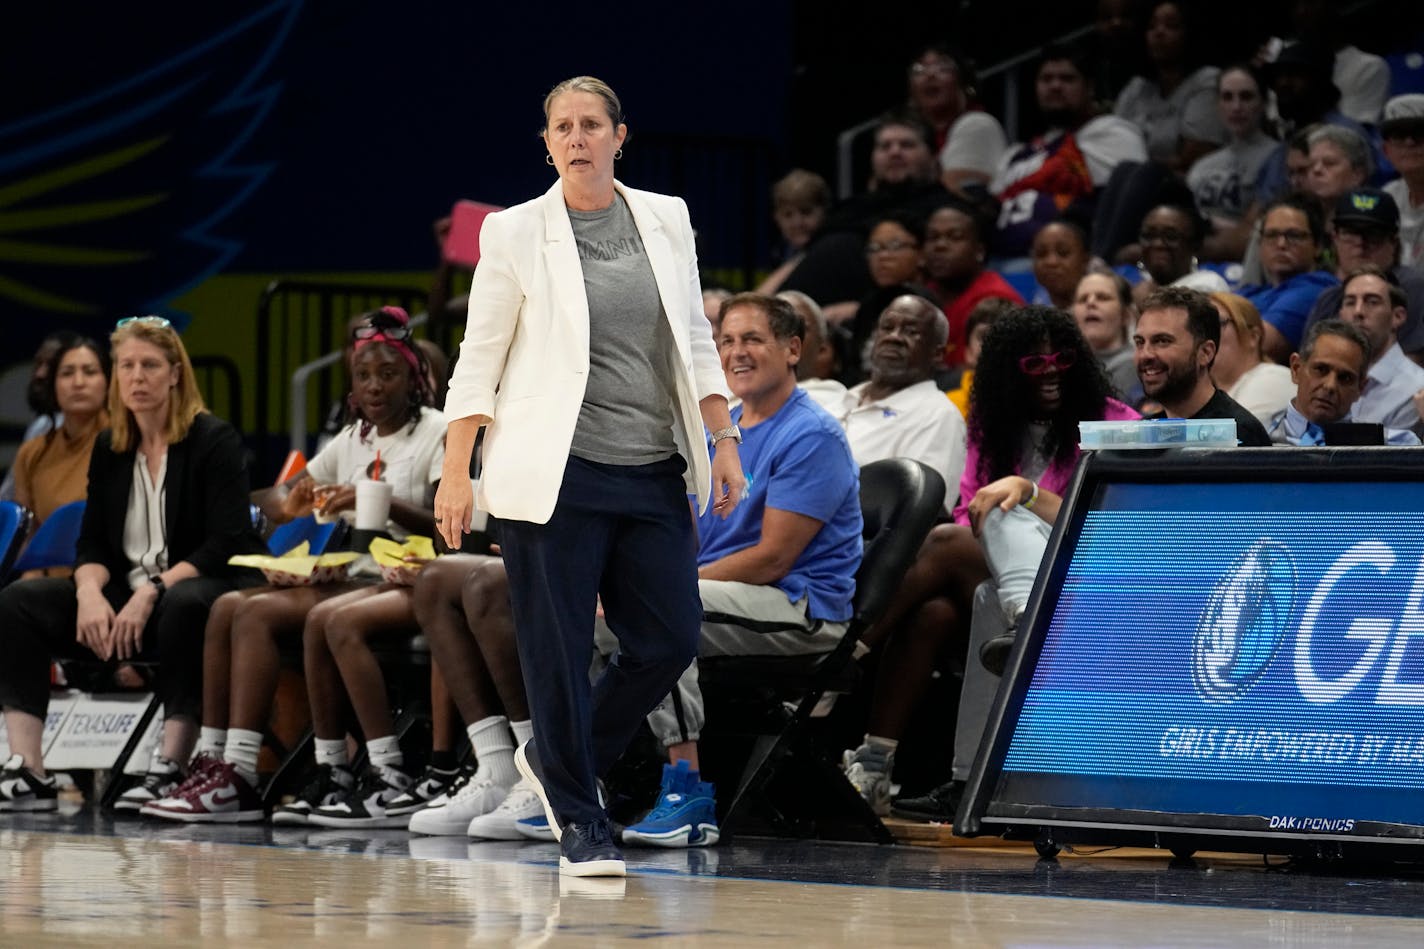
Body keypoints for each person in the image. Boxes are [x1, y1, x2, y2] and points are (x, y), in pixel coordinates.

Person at [432, 76, 743, 879]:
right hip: (555, 473)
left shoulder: (666, 217)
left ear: (619, 136)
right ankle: (581, 822)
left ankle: (560, 757)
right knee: (558, 649)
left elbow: (696, 342)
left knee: (670, 634)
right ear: (546, 143)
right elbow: (480, 358)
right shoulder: (514, 231)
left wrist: (724, 436)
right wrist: (456, 470)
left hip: (651, 465)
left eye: (591, 124)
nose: (577, 137)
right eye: (562, 127)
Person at [140, 307, 446, 826]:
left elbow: (447, 525)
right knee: (233, 607)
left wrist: (383, 501)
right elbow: (280, 496)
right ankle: (228, 765)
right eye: (363, 375)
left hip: (417, 574)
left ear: (413, 378)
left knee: (312, 618)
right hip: (357, 575)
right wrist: (284, 501)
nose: (374, 386)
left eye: (388, 374)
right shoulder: (353, 438)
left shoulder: (436, 431)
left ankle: (385, 770)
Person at [846, 306, 1140, 818]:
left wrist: (1024, 497)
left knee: (966, 531)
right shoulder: (990, 428)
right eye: (1034, 363)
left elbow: (1112, 524)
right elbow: (968, 512)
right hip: (1005, 577)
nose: (1050, 370)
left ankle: (842, 654)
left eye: (1062, 358)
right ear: (1009, 369)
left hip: (1085, 573)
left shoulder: (1115, 423)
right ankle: (890, 766)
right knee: (942, 601)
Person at [617, 292, 862, 848]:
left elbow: (773, 557)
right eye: (726, 341)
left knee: (663, 613)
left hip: (801, 607)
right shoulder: (718, 429)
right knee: (586, 613)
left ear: (793, 348)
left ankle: (688, 792)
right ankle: (578, 780)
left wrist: (669, 584)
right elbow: (685, 535)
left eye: (752, 339)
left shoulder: (813, 435)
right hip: (727, 593)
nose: (736, 352)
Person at [0, 316, 265, 812]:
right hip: (132, 600)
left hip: (208, 587)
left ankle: (170, 766)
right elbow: (93, 544)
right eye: (127, 366)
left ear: (175, 374)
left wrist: (153, 590)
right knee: (19, 603)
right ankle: (29, 769)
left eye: (149, 365)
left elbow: (226, 541)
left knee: (184, 603)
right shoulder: (112, 447)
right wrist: (88, 593)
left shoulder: (213, 439)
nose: (137, 377)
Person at [990, 43, 1147, 258]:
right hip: (999, 263)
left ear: (1089, 87)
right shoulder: (1015, 154)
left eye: (1067, 78)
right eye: (1046, 79)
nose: (1055, 86)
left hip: (1072, 262)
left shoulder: (1112, 133)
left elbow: (1126, 207)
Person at [836, 295, 967, 511]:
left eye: (911, 332)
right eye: (887, 327)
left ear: (937, 354)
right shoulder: (837, 399)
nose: (894, 337)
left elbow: (921, 515)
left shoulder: (938, 416)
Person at [10, 335, 110, 577]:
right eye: (67, 373)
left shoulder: (125, 442)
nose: (78, 382)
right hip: (48, 584)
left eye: (89, 371)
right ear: (53, 385)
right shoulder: (32, 452)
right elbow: (28, 536)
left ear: (109, 382)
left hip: (109, 576)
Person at [1134, 286, 1274, 444]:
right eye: (1139, 342)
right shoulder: (1143, 433)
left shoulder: (1237, 434)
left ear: (1206, 353)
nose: (1145, 354)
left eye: (1162, 341)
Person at [1301, 187, 1424, 355]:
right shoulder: (1328, 298)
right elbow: (1307, 365)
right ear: (1335, 238)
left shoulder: (1413, 288)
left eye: (1373, 234)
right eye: (1350, 233)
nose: (1361, 243)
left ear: (1393, 242)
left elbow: (1415, 362)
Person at [1112, 0, 1224, 173]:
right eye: (1151, 26)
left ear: (1189, 33)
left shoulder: (1207, 80)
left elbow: (1193, 158)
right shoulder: (1137, 87)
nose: (1159, 32)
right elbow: (1111, 145)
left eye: (1171, 26)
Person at [1266, 320, 1419, 446]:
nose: (1330, 385)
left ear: (1361, 387)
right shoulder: (1254, 439)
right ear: (1296, 368)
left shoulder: (1396, 449)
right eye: (1321, 369)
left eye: (1345, 378)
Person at [1190, 64, 1278, 261]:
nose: (1236, 107)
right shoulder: (1202, 165)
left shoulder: (1277, 157)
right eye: (1227, 97)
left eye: (1246, 97)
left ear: (1263, 102)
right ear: (1218, 104)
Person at [922, 198, 1023, 367]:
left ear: (979, 251)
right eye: (933, 237)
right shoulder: (924, 295)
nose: (940, 245)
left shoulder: (995, 300)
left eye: (954, 237)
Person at [1239, 196, 1339, 361]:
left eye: (1294, 235)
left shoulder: (1318, 288)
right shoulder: (1252, 291)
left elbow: (1261, 345)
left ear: (1318, 246)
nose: (1281, 244)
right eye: (1272, 235)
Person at [905, 46, 1007, 194]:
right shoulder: (906, 140)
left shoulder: (978, 124)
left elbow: (955, 197)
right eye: (919, 69)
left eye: (943, 67)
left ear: (964, 84)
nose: (930, 75)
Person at [1336, 267, 1424, 431]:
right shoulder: (1327, 382)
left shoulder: (1417, 388)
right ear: (1341, 316)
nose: (1358, 311)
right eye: (1350, 302)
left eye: (1372, 302)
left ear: (1397, 316)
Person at [0, 334, 70, 502]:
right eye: (38, 363)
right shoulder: (40, 427)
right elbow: (7, 499)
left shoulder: (101, 435)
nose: (40, 374)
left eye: (51, 365)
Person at [1208, 291, 1294, 427]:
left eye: (1216, 324)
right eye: (1199, 327)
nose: (1206, 335)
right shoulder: (1209, 395)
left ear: (1253, 336)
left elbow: (1232, 437)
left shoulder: (1273, 379)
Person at [1126, 199, 1230, 301]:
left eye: (1171, 236)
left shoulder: (1208, 285)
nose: (1158, 244)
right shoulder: (1141, 283)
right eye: (1149, 235)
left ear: (1195, 244)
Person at [1072, 271, 1140, 397]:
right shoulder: (1067, 366)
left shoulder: (1136, 365)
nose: (1090, 303)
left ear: (1126, 315)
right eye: (1082, 299)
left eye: (1102, 297)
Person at [945, 298, 1014, 418]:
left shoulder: (1036, 406)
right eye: (984, 336)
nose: (993, 345)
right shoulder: (947, 407)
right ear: (967, 350)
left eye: (1004, 336)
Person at [779, 290, 846, 412]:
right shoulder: (741, 387)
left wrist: (731, 424)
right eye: (776, 326)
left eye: (798, 328)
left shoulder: (828, 399)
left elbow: (748, 432)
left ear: (821, 348)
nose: (785, 335)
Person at [1381, 95, 1424, 270]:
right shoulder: (1389, 196)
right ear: (1386, 150)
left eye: (1420, 133)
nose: (1409, 142)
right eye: (1398, 135)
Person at [1304, 124, 1372, 230]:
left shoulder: (1372, 223)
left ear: (1357, 175)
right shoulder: (1298, 220)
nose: (1316, 170)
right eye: (1311, 164)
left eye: (1329, 163)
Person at [1030, 219, 1093, 311]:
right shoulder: (1035, 309)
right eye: (1041, 254)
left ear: (1085, 260)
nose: (1051, 262)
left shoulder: (1099, 310)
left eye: (1063, 252)